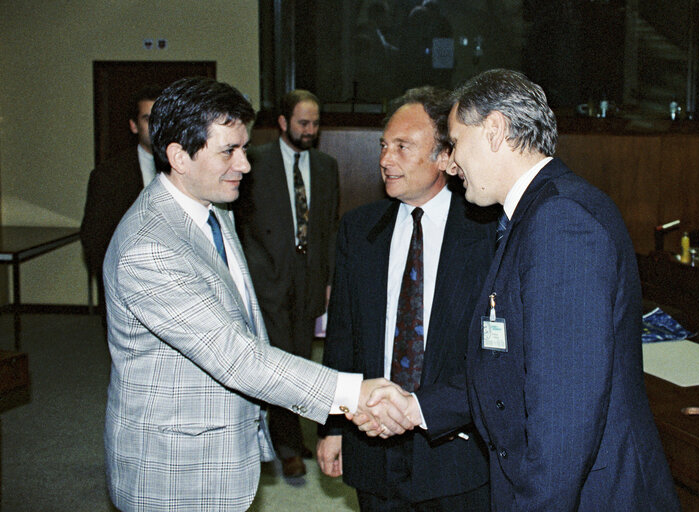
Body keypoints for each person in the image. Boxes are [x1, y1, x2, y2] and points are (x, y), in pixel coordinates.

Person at [358, 69, 681, 511]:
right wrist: (417, 407)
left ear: (493, 131)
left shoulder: (560, 222)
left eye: (455, 142)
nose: (451, 163)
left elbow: (565, 417)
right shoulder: (536, 213)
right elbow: (508, 367)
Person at [103, 76, 413, 512]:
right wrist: (353, 394)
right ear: (178, 156)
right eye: (228, 150)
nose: (245, 165)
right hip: (176, 470)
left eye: (244, 148)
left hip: (220, 453)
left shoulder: (212, 208)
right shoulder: (150, 248)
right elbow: (236, 356)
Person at [316, 87, 493, 511]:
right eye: (383, 145)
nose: (385, 159)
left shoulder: (487, 234)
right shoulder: (358, 230)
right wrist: (333, 426)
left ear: (446, 157)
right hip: (371, 444)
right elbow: (342, 335)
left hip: (457, 455)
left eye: (403, 146)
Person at [234, 89, 339, 478]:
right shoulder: (255, 161)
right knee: (277, 361)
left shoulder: (327, 166)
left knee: (299, 357)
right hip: (268, 279)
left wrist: (329, 280)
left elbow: (329, 228)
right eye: (302, 123)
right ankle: (288, 446)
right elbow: (241, 223)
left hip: (309, 279)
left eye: (315, 124)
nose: (310, 130)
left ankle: (292, 435)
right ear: (282, 123)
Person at [80, 84, 163, 319]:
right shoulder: (108, 175)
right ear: (134, 125)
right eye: (148, 119)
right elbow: (94, 236)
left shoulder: (187, 168)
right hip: (127, 285)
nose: (156, 127)